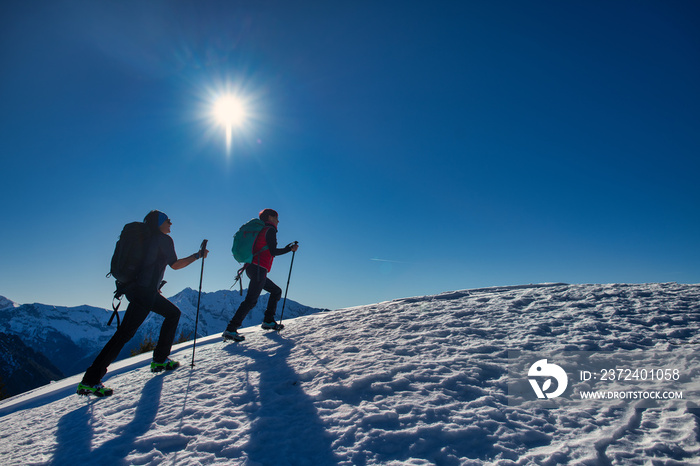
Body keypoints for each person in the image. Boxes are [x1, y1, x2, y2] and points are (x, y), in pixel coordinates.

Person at [77, 210, 209, 397]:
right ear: (159, 223)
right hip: (144, 293)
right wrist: (197, 256)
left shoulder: (145, 238)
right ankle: (90, 380)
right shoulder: (163, 240)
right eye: (168, 221)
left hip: (137, 290)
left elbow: (147, 266)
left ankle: (160, 359)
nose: (171, 224)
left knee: (173, 314)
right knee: (123, 335)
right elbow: (175, 264)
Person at [223, 208, 299, 341]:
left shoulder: (262, 230)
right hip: (259, 268)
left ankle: (268, 321)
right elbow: (273, 251)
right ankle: (230, 329)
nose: (278, 220)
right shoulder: (270, 230)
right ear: (270, 217)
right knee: (251, 300)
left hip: (253, 268)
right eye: (276, 217)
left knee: (276, 291)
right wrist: (289, 249)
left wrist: (287, 248)